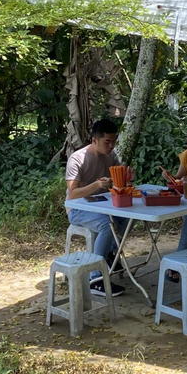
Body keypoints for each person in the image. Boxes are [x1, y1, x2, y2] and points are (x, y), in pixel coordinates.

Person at [66, 118, 130, 295]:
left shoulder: (111, 156)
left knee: (128, 216)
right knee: (106, 224)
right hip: (78, 209)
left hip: (102, 205)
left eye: (113, 141)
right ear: (94, 140)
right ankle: (96, 278)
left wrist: (126, 178)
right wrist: (96, 185)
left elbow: (119, 181)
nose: (111, 146)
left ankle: (111, 253)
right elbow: (72, 194)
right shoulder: (77, 158)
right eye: (107, 142)